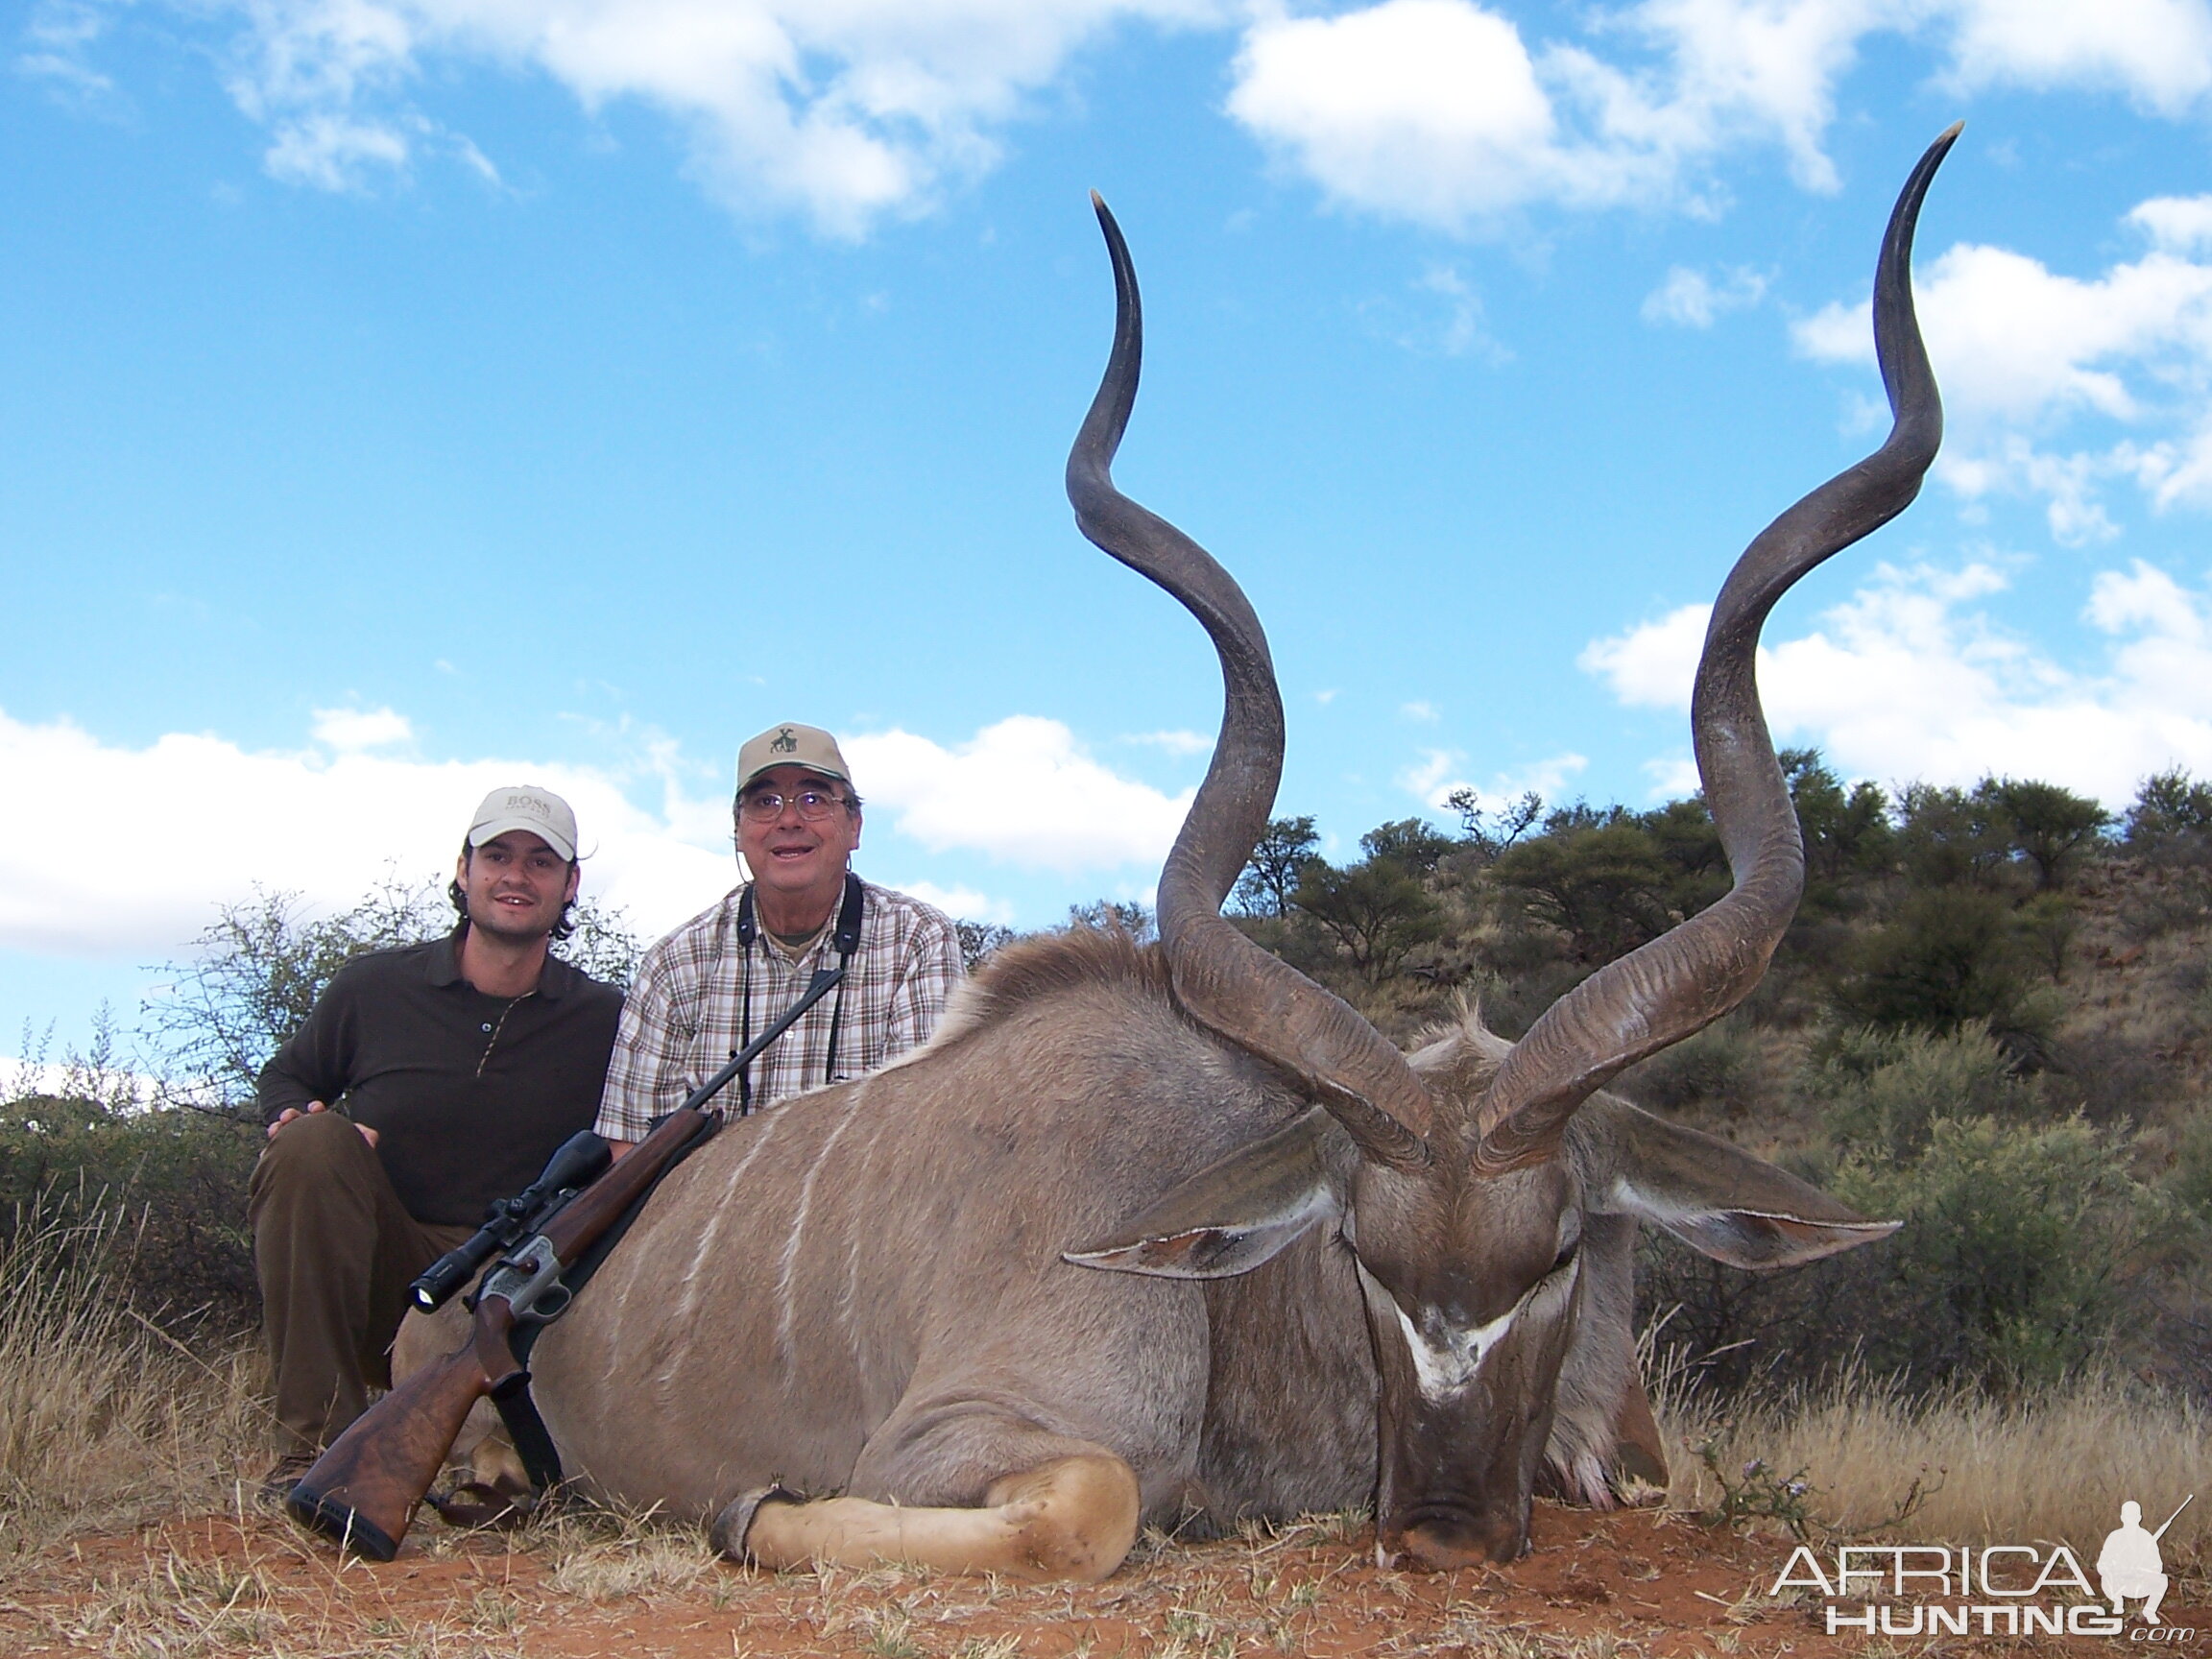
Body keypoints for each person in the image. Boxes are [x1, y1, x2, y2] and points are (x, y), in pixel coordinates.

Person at [249, 785, 623, 1496]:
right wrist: (304, 1120)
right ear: (463, 870)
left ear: (570, 884)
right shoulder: (374, 986)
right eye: (498, 856)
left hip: (520, 1295)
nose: (517, 876)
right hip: (392, 1279)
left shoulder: (609, 1017)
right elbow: (289, 1076)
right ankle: (314, 1453)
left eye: (541, 862)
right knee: (311, 1148)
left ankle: (519, 1452)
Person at [596, 723, 963, 1153]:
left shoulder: (918, 939)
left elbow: (927, 1132)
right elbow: (627, 1149)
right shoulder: (674, 963)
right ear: (738, 831)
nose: (789, 820)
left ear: (855, 827)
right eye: (765, 802)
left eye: (814, 800)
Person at [2099, 1500, 2171, 1623]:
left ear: (2139, 1517)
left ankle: (2149, 1611)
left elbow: (2157, 1565)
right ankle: (2117, 1602)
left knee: (2162, 1580)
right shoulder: (2114, 1537)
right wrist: (2119, 1570)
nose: (2130, 1519)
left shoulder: (2146, 1537)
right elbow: (2102, 1564)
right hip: (2118, 1582)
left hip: (2140, 1582)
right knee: (2106, 1578)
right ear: (2122, 1517)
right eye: (2128, 1516)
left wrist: (2142, 1570)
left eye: (2133, 1515)